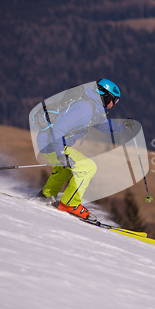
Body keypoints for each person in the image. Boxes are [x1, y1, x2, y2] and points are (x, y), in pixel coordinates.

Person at [35, 79, 135, 221]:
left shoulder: (92, 108)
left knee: (66, 168)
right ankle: (69, 204)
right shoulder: (86, 109)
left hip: (50, 142)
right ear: (105, 97)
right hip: (51, 144)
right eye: (114, 101)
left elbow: (103, 125)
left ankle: (46, 195)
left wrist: (122, 126)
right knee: (87, 167)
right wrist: (61, 154)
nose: (113, 105)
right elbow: (58, 129)